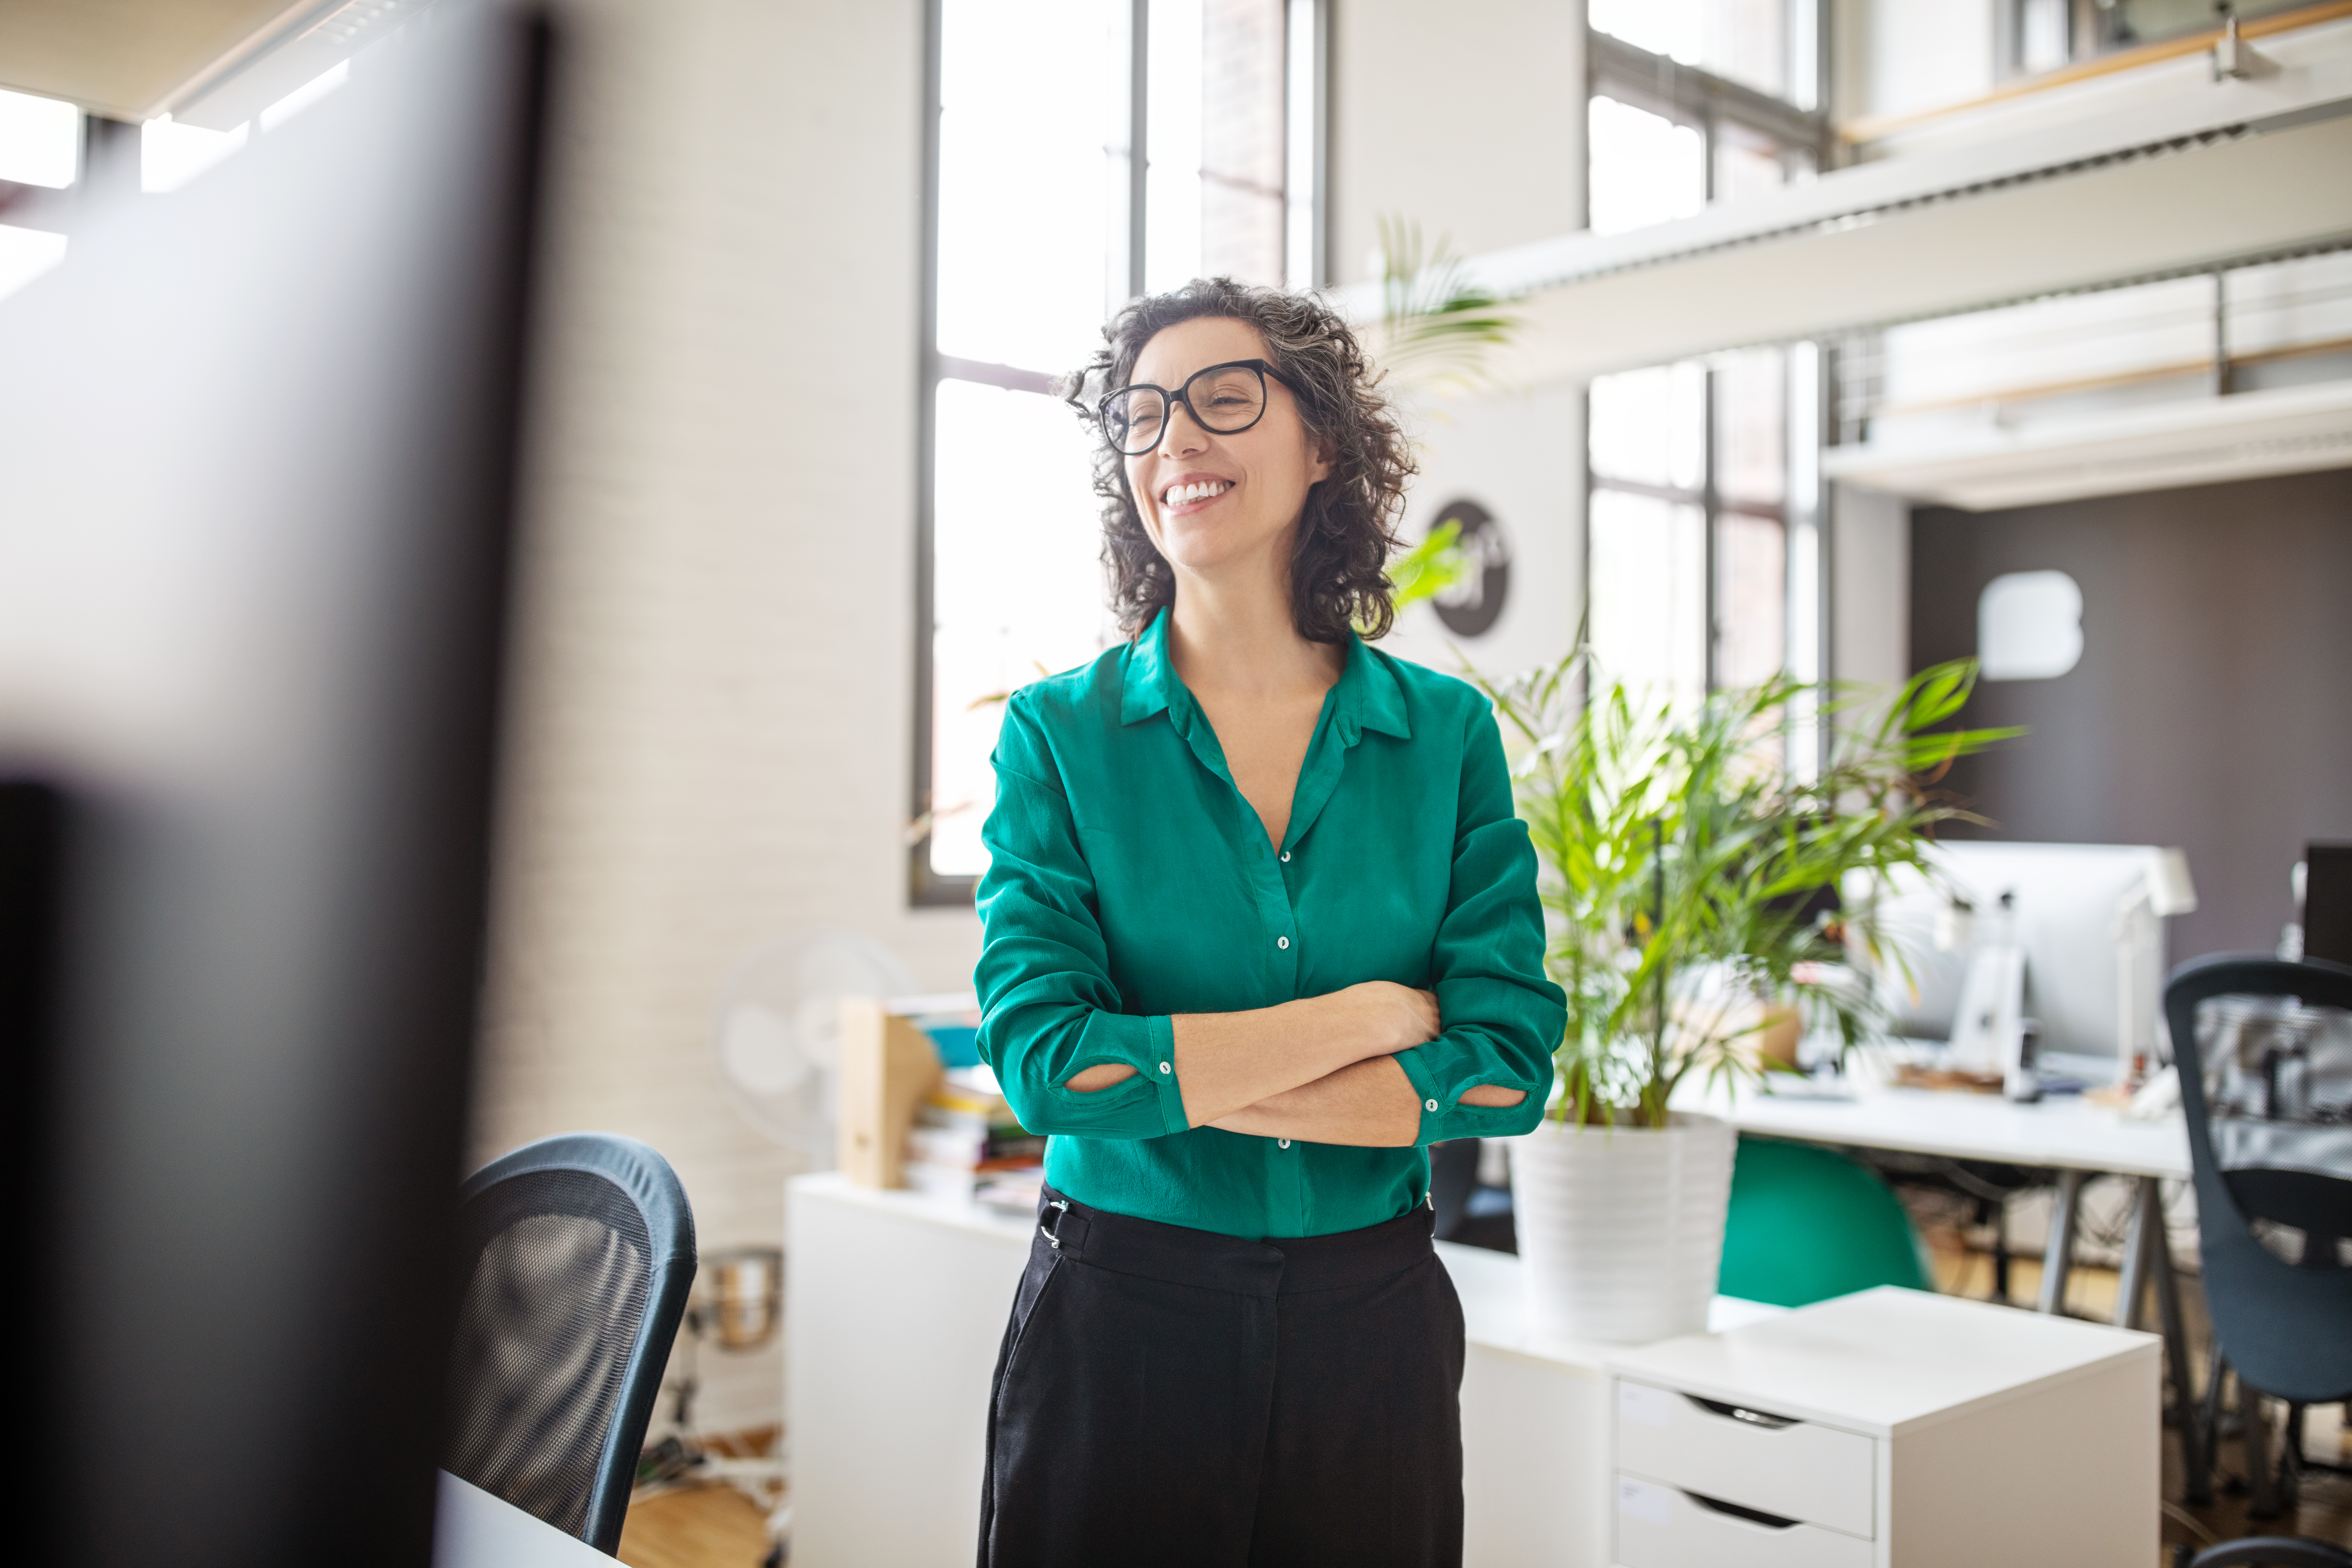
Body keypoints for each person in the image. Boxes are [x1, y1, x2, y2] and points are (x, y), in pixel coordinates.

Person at [971, 277, 1565, 1568]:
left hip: (1375, 1328)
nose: (1173, 439)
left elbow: (1507, 1069)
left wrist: (1169, 1077)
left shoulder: (1446, 736)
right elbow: (1050, 1071)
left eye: (1222, 400)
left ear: (1324, 443)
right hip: (1122, 1321)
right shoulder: (1059, 738)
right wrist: (1357, 1025)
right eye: (1140, 416)